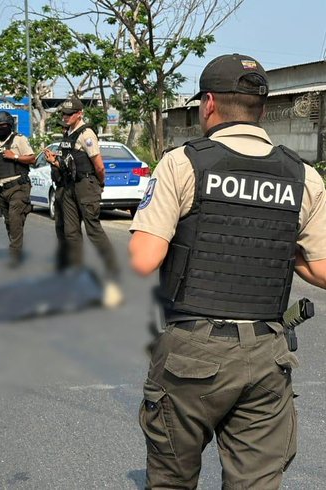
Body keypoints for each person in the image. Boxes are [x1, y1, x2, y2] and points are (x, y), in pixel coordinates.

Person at [129, 53, 326, 489]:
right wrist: (276, 247)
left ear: (209, 104)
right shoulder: (303, 176)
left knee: (172, 480)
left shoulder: (184, 163)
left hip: (192, 354)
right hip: (267, 354)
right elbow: (322, 269)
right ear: (261, 108)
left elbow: (143, 259)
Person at [44, 98, 122, 305]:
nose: (65, 117)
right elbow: (68, 162)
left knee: (93, 228)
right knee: (71, 231)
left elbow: (99, 165)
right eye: (63, 114)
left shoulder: (86, 134)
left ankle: (111, 266)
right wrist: (54, 161)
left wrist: (100, 184)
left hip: (86, 185)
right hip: (69, 185)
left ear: (79, 114)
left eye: (69, 114)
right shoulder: (67, 134)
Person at [0, 111, 35, 267]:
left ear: (10, 125)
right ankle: (17, 252)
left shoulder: (19, 140)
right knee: (9, 223)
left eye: (3, 126)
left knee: (15, 220)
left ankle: (15, 258)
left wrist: (14, 157)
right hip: (1, 190)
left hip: (18, 187)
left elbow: (32, 158)